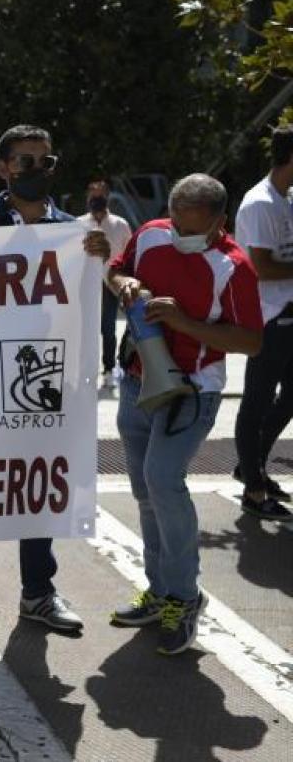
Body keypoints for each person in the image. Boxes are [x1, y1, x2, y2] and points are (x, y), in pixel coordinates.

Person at [0, 124, 110, 639]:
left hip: (43, 377)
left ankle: (38, 593)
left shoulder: (74, 233)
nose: (37, 170)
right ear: (3, 169)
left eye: (45, 161)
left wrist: (98, 258)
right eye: (25, 162)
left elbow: (84, 308)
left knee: (37, 487)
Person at [108, 173, 263, 654]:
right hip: (138, 378)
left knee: (163, 482)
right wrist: (125, 283)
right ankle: (159, 590)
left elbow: (251, 342)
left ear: (221, 222)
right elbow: (116, 268)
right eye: (176, 221)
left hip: (193, 390)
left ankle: (183, 595)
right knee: (146, 489)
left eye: (193, 228)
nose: (180, 233)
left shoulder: (234, 267)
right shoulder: (152, 232)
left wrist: (183, 322)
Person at [232, 125, 293, 521]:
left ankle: (251, 464)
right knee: (256, 398)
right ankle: (253, 489)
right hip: (268, 317)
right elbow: (261, 267)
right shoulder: (259, 203)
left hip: (290, 311)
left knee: (290, 397)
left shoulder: (287, 199)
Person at [78, 178, 133, 390]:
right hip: (86, 284)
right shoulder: (79, 224)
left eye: (100, 196)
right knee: (86, 330)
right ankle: (86, 371)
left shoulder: (120, 225)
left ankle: (109, 369)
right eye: (93, 197)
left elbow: (128, 254)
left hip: (109, 282)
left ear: (107, 197)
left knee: (108, 329)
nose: (96, 200)